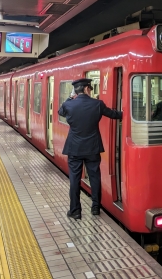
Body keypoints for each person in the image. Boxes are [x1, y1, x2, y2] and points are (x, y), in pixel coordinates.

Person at [58, 78, 122, 220]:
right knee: (94, 177)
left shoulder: (68, 105)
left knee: (75, 179)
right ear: (87, 89)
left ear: (76, 90)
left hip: (74, 148)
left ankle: (75, 211)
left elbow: (60, 112)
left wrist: (69, 97)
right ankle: (95, 208)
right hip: (92, 147)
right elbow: (114, 114)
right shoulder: (97, 104)